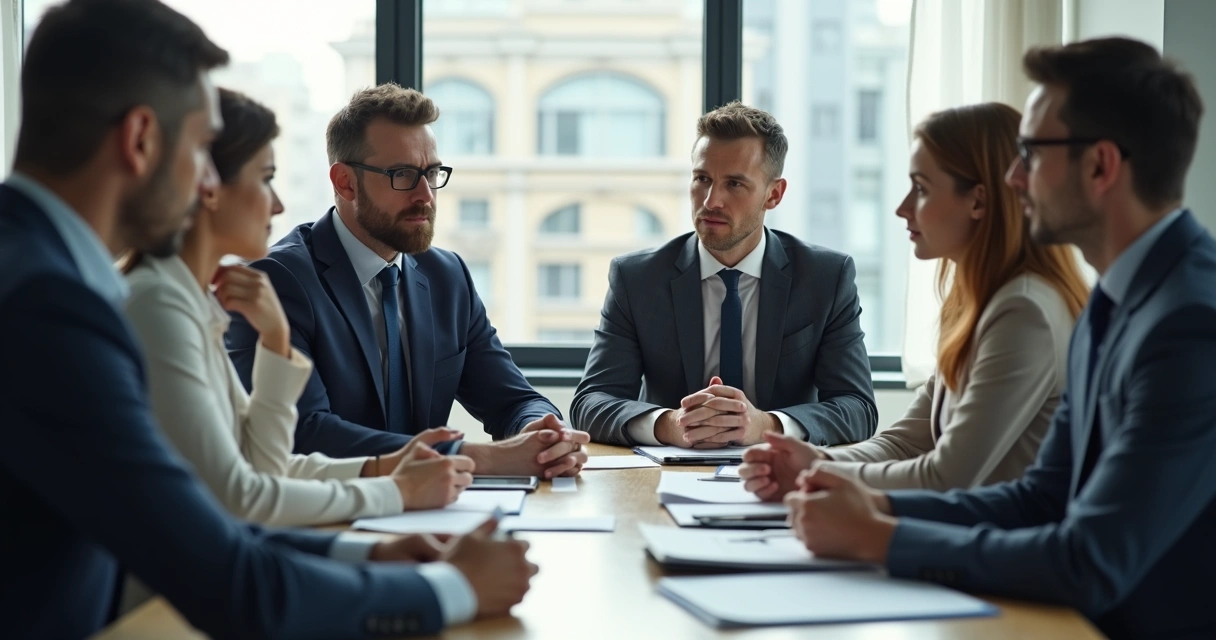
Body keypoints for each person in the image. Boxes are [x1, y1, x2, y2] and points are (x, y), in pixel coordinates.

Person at [0, 1, 533, 637]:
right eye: (202, 147)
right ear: (141, 139)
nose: (208, 181)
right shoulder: (50, 305)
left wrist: (369, 552)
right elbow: (225, 570)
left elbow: (202, 520)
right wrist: (448, 588)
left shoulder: (42, 274)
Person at [778, 38, 1216, 640]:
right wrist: (876, 507)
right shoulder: (1116, 299)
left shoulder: (1191, 322)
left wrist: (882, 536)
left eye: (1032, 153)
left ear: (1100, 166)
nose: (1014, 176)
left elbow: (1090, 560)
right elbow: (1039, 497)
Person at [123, 88, 472, 527]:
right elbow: (240, 499)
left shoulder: (193, 301)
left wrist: (276, 341)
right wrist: (397, 490)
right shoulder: (159, 305)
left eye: (432, 172)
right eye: (265, 178)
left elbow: (263, 465)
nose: (278, 204)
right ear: (207, 187)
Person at [227, 84, 590, 479]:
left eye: (432, 173)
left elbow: (512, 399)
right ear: (345, 182)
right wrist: (465, 455)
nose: (426, 196)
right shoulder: (277, 281)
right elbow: (305, 434)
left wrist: (542, 432)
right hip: (329, 513)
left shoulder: (446, 276)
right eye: (403, 175)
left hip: (428, 508)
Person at [739, 103, 1089, 497]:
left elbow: (946, 476)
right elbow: (905, 443)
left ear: (978, 201)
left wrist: (814, 475)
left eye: (921, 189)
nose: (902, 208)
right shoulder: (981, 302)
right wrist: (811, 461)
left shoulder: (1024, 312)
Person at [571, 102, 877, 449]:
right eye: (702, 179)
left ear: (773, 194)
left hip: (781, 477)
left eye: (734, 184)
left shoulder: (825, 278)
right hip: (664, 478)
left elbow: (858, 408)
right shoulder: (637, 278)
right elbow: (591, 402)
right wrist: (670, 425)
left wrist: (767, 425)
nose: (711, 200)